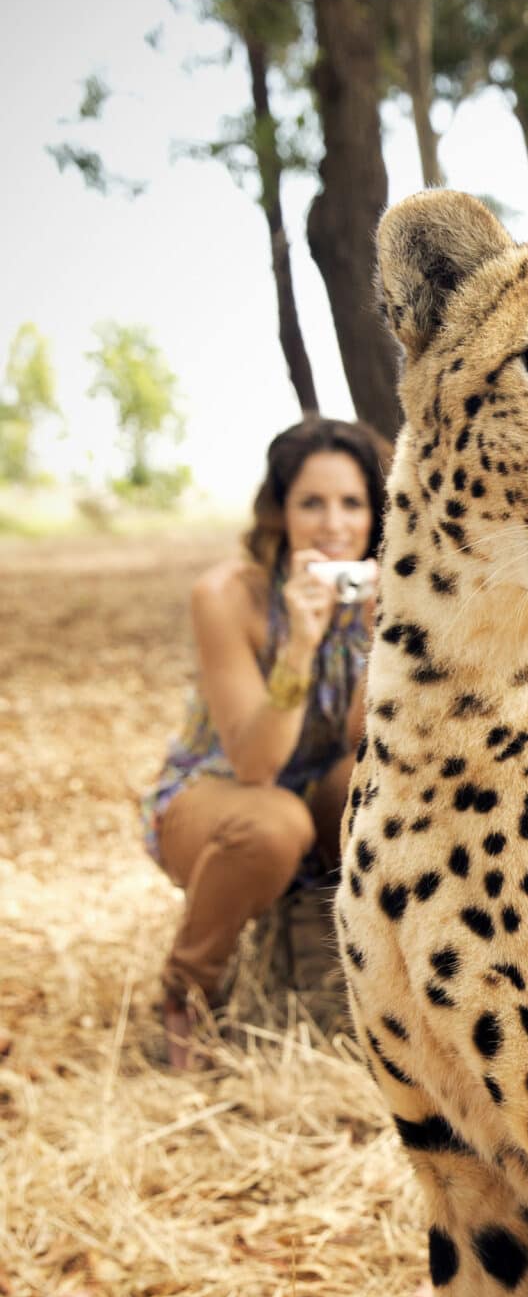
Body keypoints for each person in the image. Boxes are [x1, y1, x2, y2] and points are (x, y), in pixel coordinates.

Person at [142, 414, 389, 1069]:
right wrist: (298, 646)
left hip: (315, 796)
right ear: (281, 511)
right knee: (272, 823)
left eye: (351, 503)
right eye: (312, 502)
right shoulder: (229, 595)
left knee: (374, 787)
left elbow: (366, 744)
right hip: (221, 798)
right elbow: (256, 762)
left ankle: (352, 983)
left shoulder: (382, 593)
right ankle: (183, 995)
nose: (333, 524)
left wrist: (379, 644)